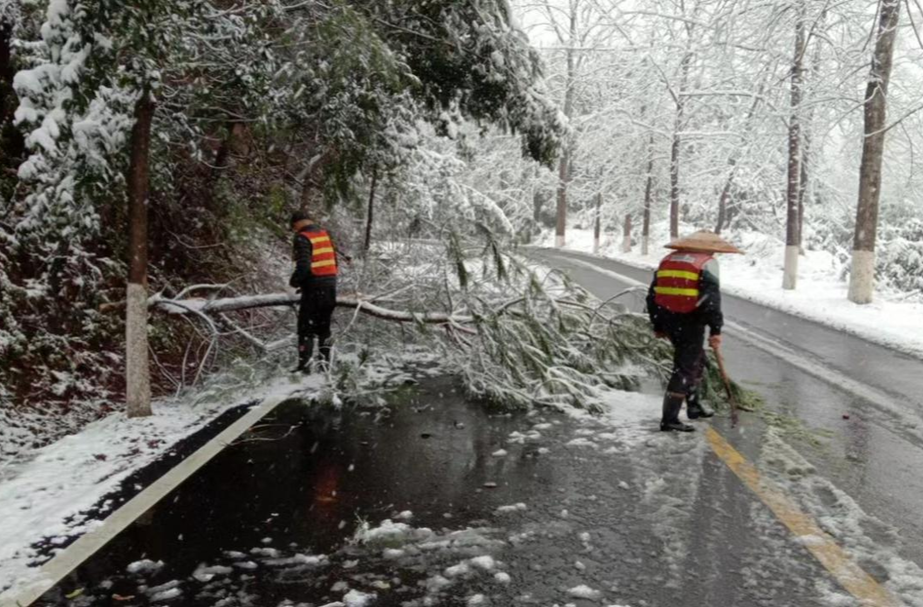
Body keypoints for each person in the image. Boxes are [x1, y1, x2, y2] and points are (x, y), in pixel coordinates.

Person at [646, 230, 743, 432]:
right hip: (690, 320)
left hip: (668, 318)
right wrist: (716, 330)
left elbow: (652, 295)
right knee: (685, 367)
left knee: (696, 360)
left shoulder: (668, 260)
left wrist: (658, 325)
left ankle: (694, 406)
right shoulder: (706, 263)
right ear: (708, 249)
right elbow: (711, 299)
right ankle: (669, 419)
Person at [289, 210, 339, 373]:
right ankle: (325, 367)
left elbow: (304, 265)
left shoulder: (303, 237)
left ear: (297, 223)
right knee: (324, 329)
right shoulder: (324, 234)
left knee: (306, 329)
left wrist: (294, 282)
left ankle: (304, 367)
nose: (294, 230)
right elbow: (334, 261)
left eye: (294, 226)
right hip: (330, 286)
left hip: (314, 288)